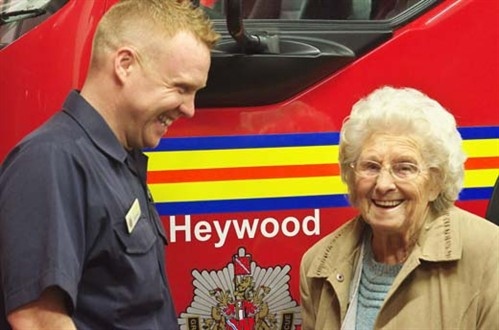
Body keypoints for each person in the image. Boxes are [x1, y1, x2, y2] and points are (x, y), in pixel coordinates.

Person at [0, 0, 219, 329]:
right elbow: (39, 320)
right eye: (181, 88)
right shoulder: (52, 161)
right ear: (125, 65)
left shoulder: (116, 161)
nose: (189, 109)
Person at [300, 86, 499, 329]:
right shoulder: (318, 265)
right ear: (352, 178)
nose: (383, 184)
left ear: (435, 182)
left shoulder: (491, 256)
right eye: (371, 166)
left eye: (404, 168)